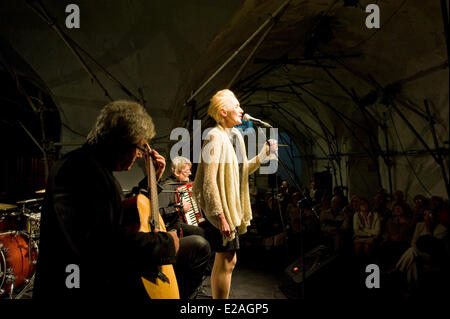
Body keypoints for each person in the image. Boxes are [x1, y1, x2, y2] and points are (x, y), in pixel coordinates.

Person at [33, 100, 207, 301]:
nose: (139, 156)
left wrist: (151, 180)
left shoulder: (90, 167)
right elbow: (104, 242)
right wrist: (165, 243)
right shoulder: (80, 171)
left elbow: (122, 213)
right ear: (122, 142)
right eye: (138, 148)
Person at [192, 89, 277, 299]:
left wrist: (263, 154)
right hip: (221, 211)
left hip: (229, 208)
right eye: (236, 106)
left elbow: (240, 170)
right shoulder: (214, 136)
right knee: (227, 258)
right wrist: (220, 215)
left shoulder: (236, 136)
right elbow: (209, 180)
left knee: (228, 259)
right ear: (223, 112)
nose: (241, 110)